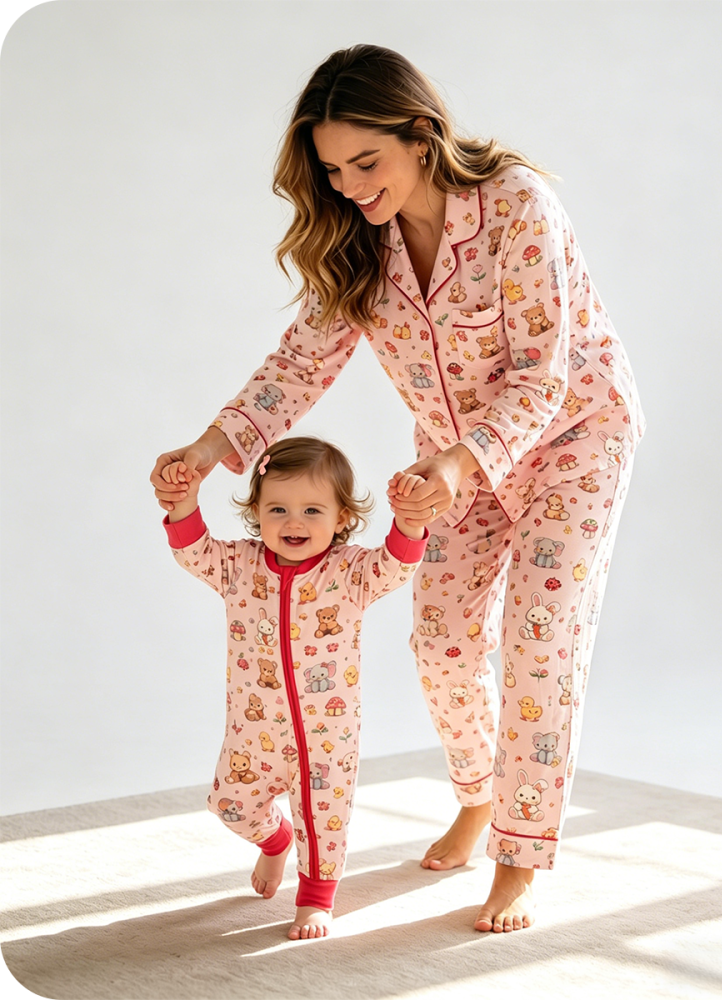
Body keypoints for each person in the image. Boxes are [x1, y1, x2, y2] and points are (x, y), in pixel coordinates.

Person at [151, 44, 645, 933]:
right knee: (443, 641)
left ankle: (521, 853)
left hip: (575, 437)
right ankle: (478, 793)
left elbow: (544, 373)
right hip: (449, 464)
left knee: (540, 645)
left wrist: (458, 463)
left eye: (365, 162)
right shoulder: (359, 245)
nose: (348, 185)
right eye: (333, 170)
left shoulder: (518, 205)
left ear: (421, 136)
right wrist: (208, 446)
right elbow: (300, 363)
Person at [161, 436, 427, 939]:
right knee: (229, 805)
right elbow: (194, 553)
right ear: (256, 512)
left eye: (312, 509)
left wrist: (409, 520)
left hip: (326, 735)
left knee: (324, 818)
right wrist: (184, 503)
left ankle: (315, 897)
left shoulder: (349, 573)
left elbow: (396, 564)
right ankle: (276, 840)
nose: (294, 522)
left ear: (342, 518)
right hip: (253, 729)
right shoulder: (240, 566)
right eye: (277, 508)